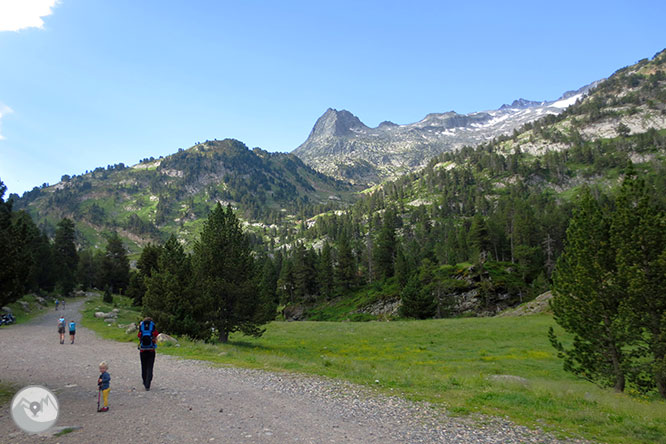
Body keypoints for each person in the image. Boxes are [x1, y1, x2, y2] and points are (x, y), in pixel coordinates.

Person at [137, 317, 158, 391]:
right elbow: (156, 336)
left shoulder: (141, 328)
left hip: (142, 350)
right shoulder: (153, 329)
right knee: (150, 367)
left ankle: (144, 380)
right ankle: (148, 384)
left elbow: (139, 336)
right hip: (151, 350)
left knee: (143, 366)